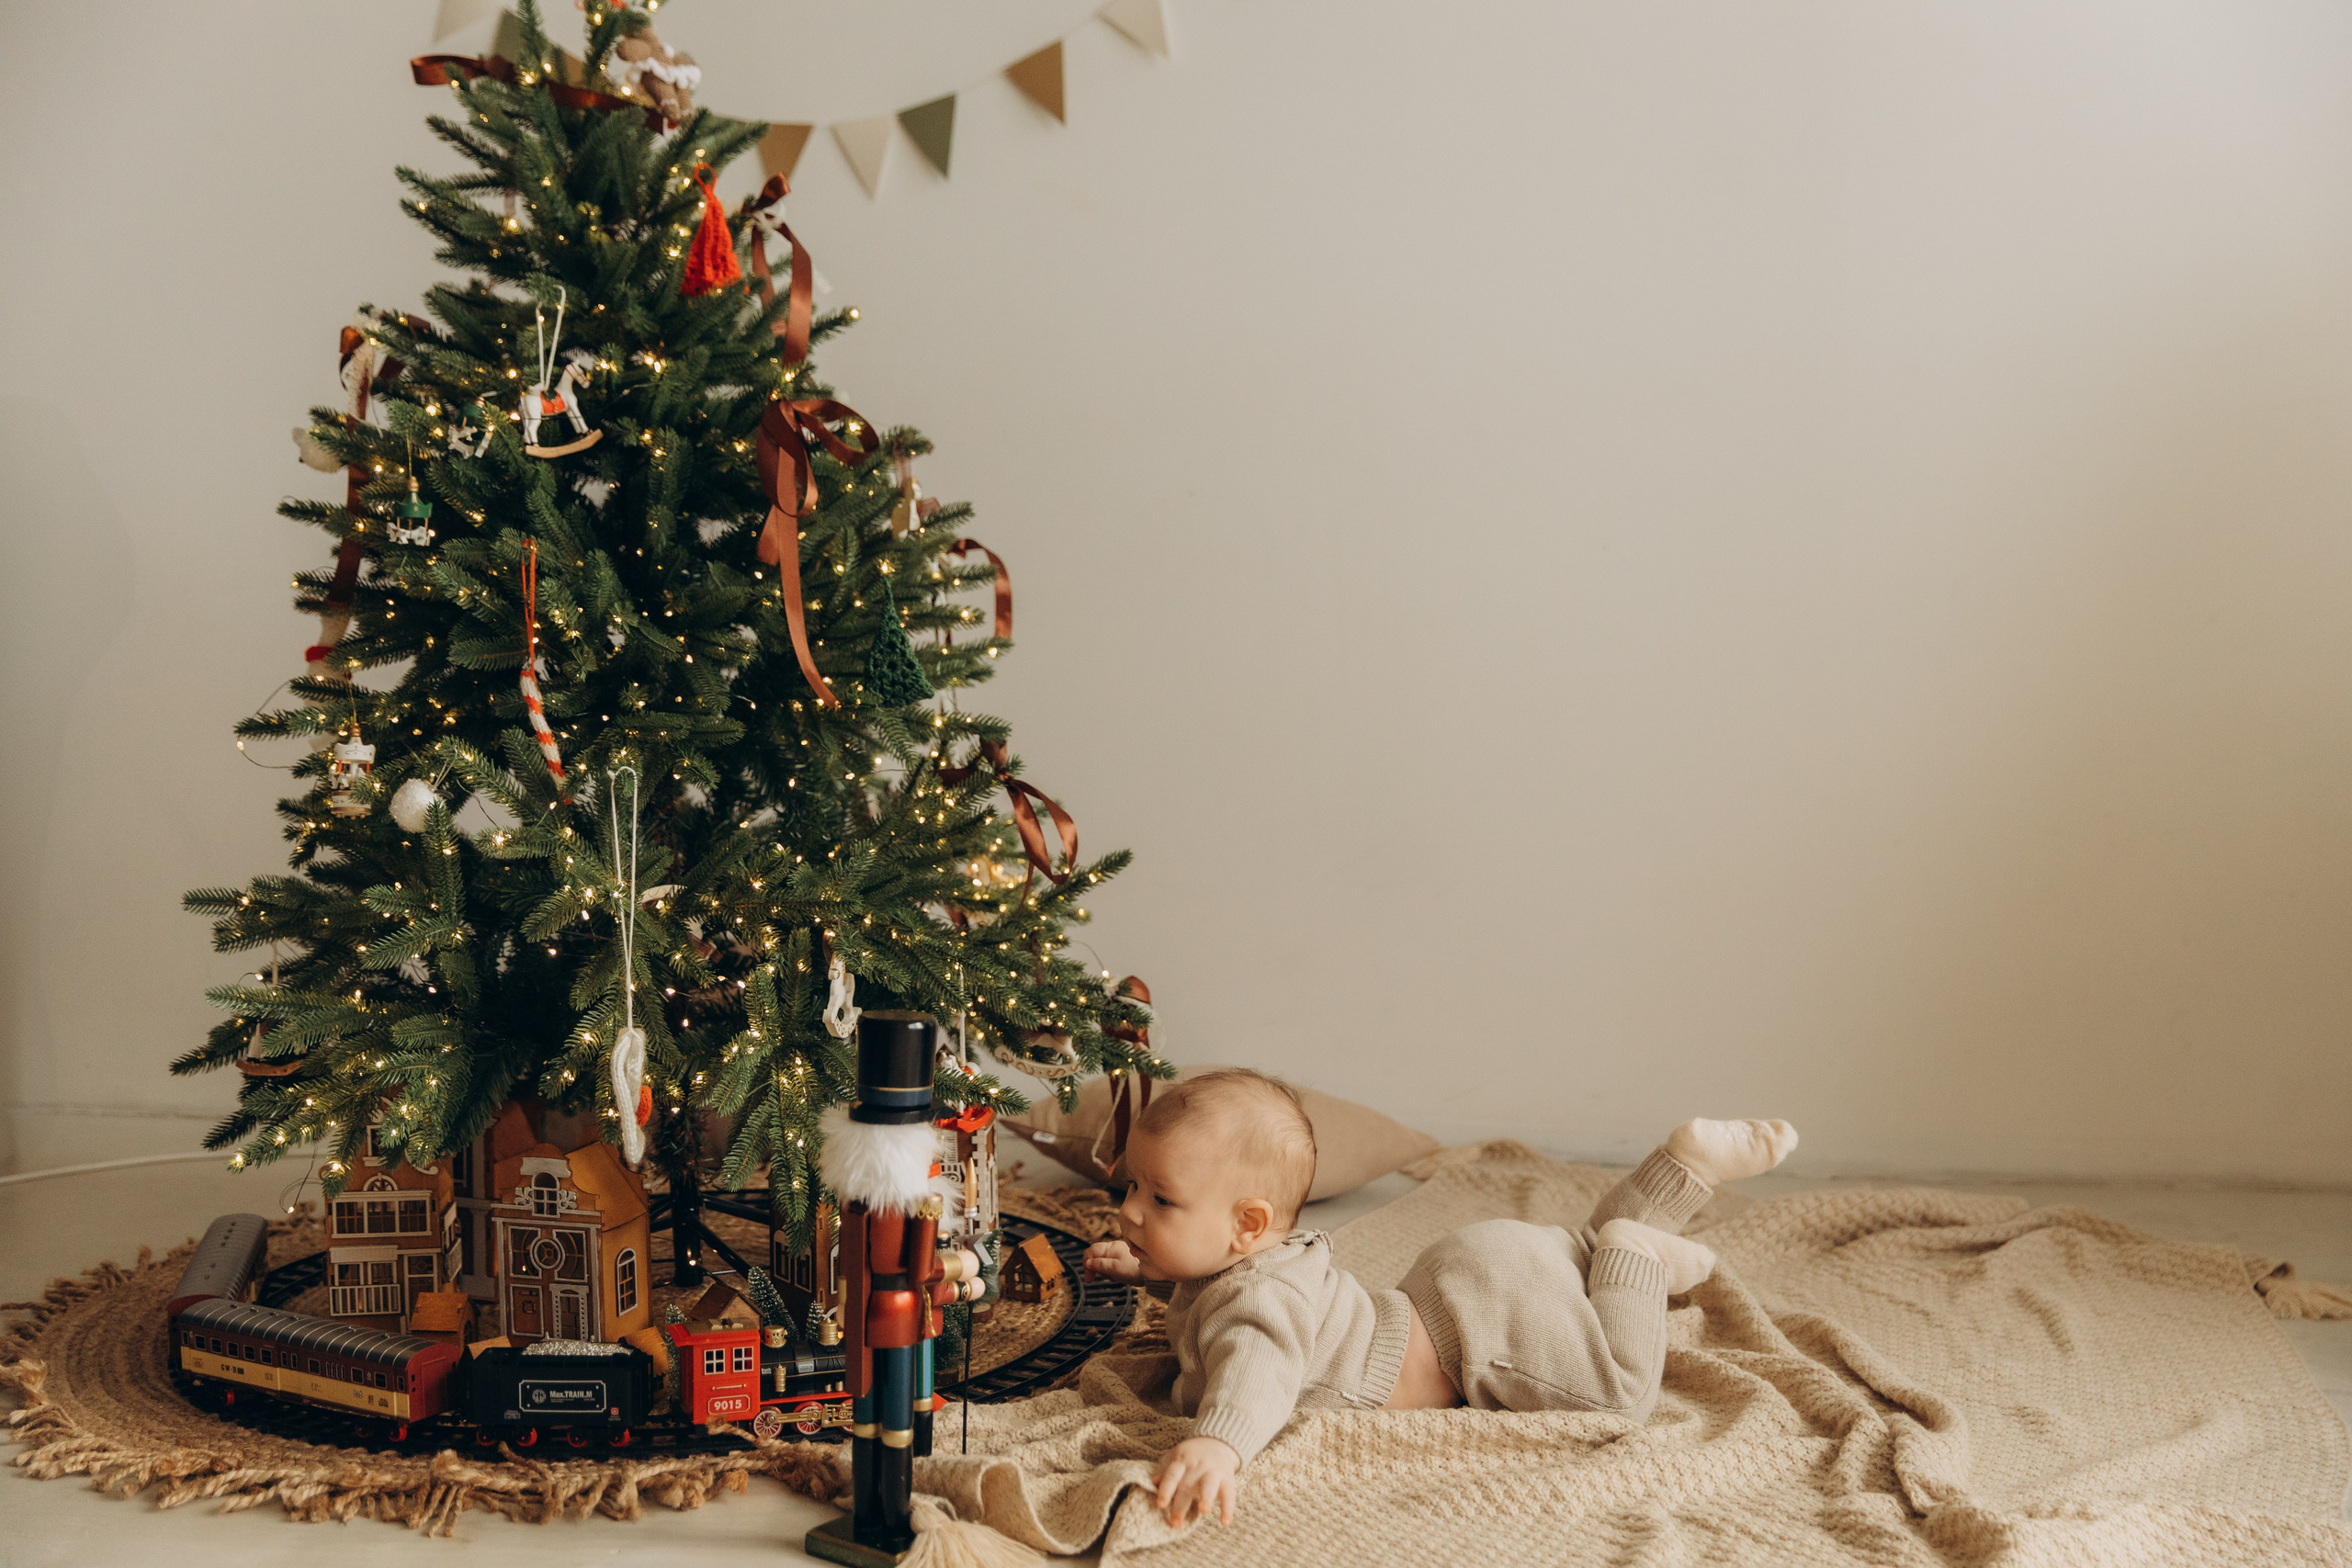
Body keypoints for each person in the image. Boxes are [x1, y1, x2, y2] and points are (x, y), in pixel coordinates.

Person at [1082, 1069, 1798, 1529]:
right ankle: (1681, 1167)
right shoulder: (1253, 1260)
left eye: (1161, 1199)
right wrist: (1151, 1266)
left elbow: (1257, 1374)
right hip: (1463, 1271)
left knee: (1620, 1398)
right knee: (1573, 1250)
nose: (1134, 1211)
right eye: (1134, 1189)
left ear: (1249, 1225)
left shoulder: (1256, 1305)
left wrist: (1219, 1443)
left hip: (1478, 1334)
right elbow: (1211, 1278)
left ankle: (1633, 1258)